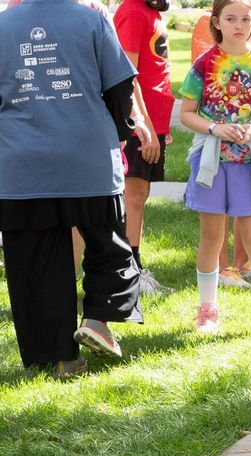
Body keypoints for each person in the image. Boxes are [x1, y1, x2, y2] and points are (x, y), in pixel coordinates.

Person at [0, 0, 141, 376]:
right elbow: (119, 86)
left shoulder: (3, 25)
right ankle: (97, 320)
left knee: (34, 263)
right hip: (87, 157)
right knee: (109, 245)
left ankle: (60, 357)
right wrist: (122, 132)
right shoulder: (91, 19)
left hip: (23, 166)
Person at [180, 0, 251, 337]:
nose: (239, 25)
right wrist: (215, 128)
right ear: (217, 22)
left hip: (248, 161)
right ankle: (207, 313)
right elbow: (187, 113)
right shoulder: (204, 63)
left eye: (245, 19)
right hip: (211, 161)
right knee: (212, 237)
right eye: (231, 18)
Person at [113, 0, 174, 295]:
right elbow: (128, 74)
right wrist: (146, 125)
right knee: (133, 195)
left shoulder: (152, 12)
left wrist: (161, 127)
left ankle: (132, 266)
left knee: (141, 194)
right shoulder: (133, 11)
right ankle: (129, 270)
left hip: (155, 123)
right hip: (139, 123)